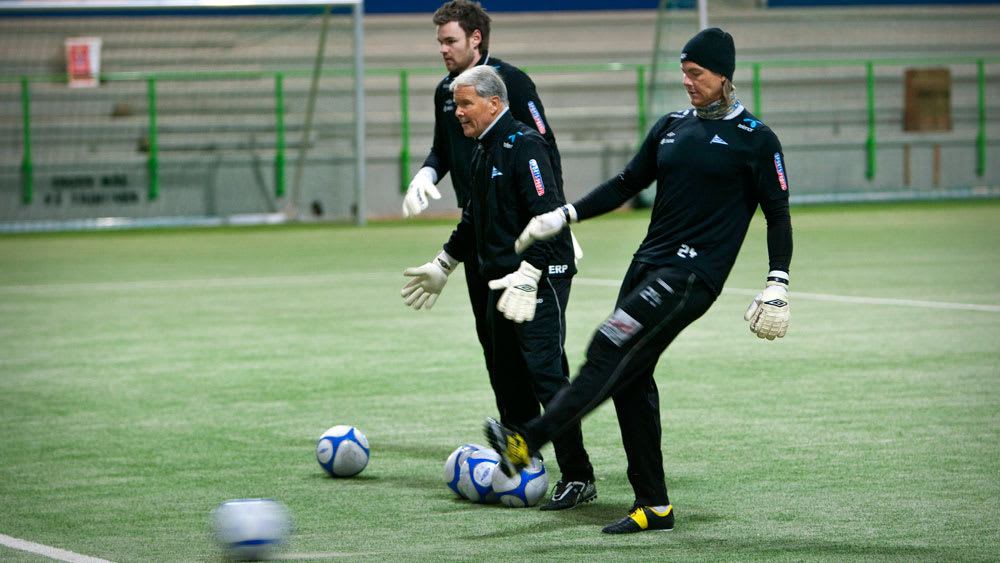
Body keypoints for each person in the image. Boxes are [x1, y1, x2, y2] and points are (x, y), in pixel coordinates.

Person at [483, 27, 793, 534]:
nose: (687, 82)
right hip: (646, 265)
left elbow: (777, 215)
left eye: (697, 74)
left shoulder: (757, 140)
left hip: (690, 275)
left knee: (609, 345)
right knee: (630, 380)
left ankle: (527, 441)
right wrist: (565, 215)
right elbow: (627, 182)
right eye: (684, 73)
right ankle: (654, 506)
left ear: (724, 75)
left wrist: (777, 283)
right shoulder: (671, 126)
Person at [401, 65, 597, 510]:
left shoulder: (526, 146)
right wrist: (444, 263)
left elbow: (547, 213)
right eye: (455, 104)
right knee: (507, 375)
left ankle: (578, 476)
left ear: (494, 103)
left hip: (540, 276)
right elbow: (473, 218)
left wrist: (532, 273)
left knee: (546, 374)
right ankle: (522, 458)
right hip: (501, 279)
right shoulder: (481, 150)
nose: (457, 112)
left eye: (465, 104)